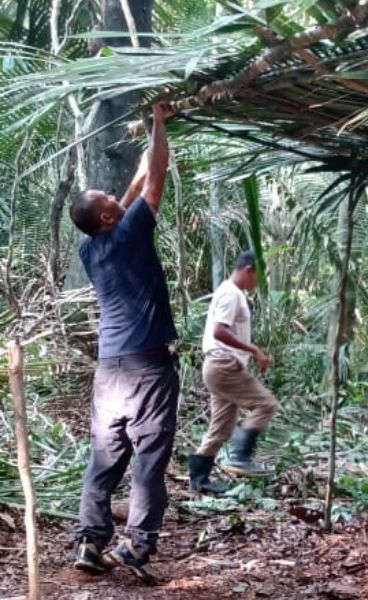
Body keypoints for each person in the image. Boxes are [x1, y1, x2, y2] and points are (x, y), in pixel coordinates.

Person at [70, 101, 178, 584]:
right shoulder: (131, 231)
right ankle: (136, 546)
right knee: (149, 457)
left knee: (106, 455)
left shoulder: (91, 245)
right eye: (111, 200)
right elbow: (156, 176)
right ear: (111, 217)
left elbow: (134, 187)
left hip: (109, 368)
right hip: (147, 366)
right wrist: (159, 122)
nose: (119, 197)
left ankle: (90, 543)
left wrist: (145, 147)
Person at [187, 250, 279, 494]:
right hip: (224, 365)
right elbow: (220, 331)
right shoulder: (231, 294)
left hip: (217, 367)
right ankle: (241, 457)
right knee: (266, 405)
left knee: (221, 428)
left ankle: (199, 479)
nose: (258, 283)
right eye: (259, 277)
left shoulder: (229, 292)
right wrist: (254, 350)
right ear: (249, 270)